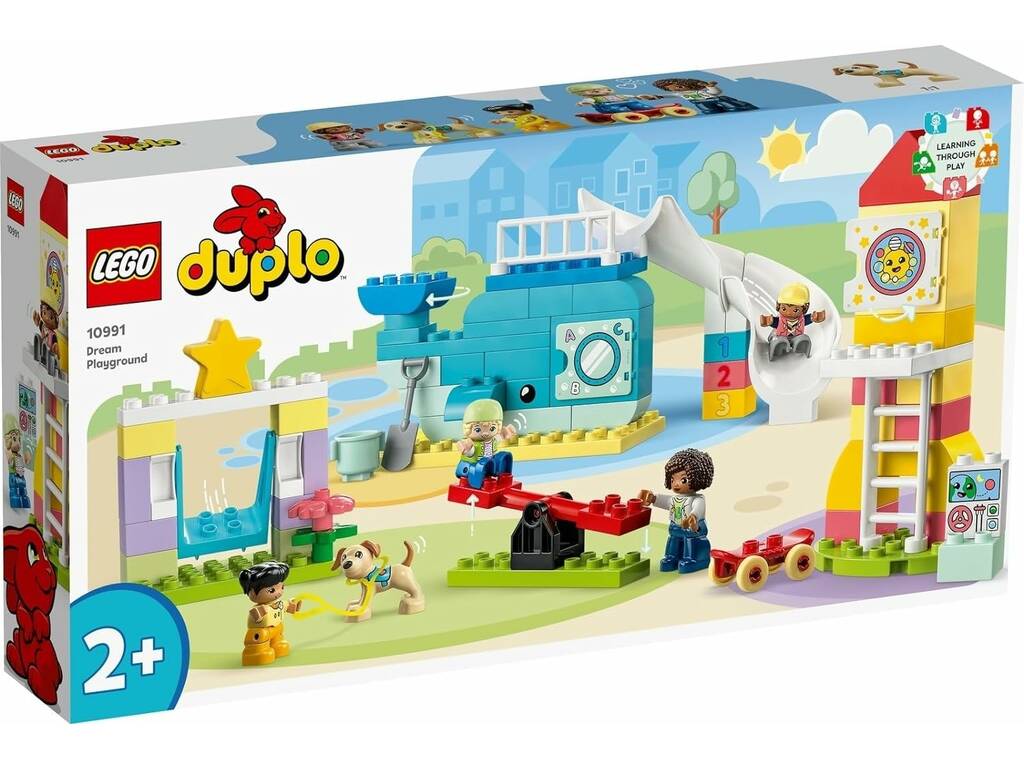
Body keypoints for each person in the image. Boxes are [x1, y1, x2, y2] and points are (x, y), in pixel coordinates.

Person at [638, 449, 714, 574]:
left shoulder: (697, 499)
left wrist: (693, 516)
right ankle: (671, 557)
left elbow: (698, 508)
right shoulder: (674, 499)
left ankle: (692, 558)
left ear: (697, 478)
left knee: (690, 540)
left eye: (683, 480)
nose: (676, 484)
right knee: (673, 539)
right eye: (673, 479)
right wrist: (652, 498)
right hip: (676, 527)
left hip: (692, 528)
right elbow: (665, 501)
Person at [238, 561, 302, 666]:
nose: (279, 592)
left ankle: (277, 644)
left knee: (279, 639)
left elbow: (287, 607)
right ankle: (257, 652)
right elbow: (256, 616)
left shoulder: (278, 603)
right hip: (261, 632)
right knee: (261, 641)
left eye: (282, 587)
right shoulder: (261, 608)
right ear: (252, 592)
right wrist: (260, 613)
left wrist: (294, 605)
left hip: (276, 628)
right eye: (271, 590)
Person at [455, 399, 517, 489]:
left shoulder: (493, 440)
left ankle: (500, 475)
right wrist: (467, 448)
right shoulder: (473, 444)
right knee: (482, 464)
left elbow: (500, 436)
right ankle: (477, 483)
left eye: (492, 428)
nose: (485, 433)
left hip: (489, 466)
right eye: (478, 430)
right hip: (474, 468)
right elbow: (470, 452)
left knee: (504, 457)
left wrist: (506, 432)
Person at [759, 282, 826, 361]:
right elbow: (776, 323)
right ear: (778, 306)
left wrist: (814, 318)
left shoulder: (801, 319)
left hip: (796, 336)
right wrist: (769, 321)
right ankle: (778, 349)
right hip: (781, 336)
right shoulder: (780, 319)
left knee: (804, 338)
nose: (789, 313)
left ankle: (800, 348)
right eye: (784, 308)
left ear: (804, 308)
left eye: (795, 310)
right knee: (778, 340)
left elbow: (806, 320)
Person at [652, 77, 757, 114]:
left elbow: (715, 92)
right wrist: (657, 97)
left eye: (681, 86)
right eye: (675, 88)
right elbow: (669, 96)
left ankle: (742, 107)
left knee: (733, 106)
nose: (679, 88)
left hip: (715, 98)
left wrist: (710, 87)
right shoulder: (680, 94)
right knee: (709, 110)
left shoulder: (698, 91)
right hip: (700, 103)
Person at [482, 102, 569, 133]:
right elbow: (503, 120)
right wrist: (498, 121)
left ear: (527, 110)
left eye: (510, 112)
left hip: (542, 123)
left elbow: (541, 118)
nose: (508, 114)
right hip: (528, 127)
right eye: (499, 113)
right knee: (528, 129)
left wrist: (546, 120)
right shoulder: (507, 118)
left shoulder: (529, 115)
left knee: (547, 127)